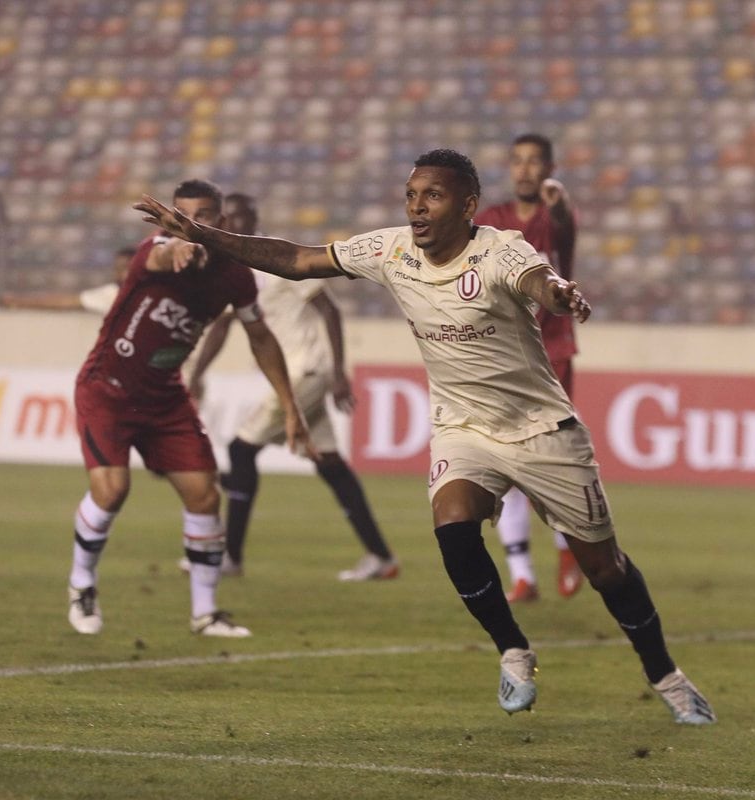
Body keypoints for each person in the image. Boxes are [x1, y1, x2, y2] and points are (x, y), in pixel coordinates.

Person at [134, 150, 716, 724]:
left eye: (432, 196)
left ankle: (665, 674)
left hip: (542, 431)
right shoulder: (391, 249)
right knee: (453, 528)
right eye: (411, 195)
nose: (417, 208)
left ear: (468, 205)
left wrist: (558, 294)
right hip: (462, 427)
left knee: (605, 569)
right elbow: (296, 258)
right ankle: (513, 649)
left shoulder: (498, 251)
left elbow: (538, 278)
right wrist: (204, 234)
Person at [68, 179, 313, 638]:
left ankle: (205, 613)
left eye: (201, 216)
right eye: (180, 215)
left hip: (165, 397)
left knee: (204, 495)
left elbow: (259, 335)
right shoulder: (153, 253)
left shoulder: (236, 276)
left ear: (220, 221)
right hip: (108, 389)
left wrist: (289, 402)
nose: (189, 224)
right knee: (112, 490)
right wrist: (178, 249)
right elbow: (167, 253)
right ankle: (82, 583)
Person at [181, 192, 399, 581]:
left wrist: (339, 373)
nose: (235, 225)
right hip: (296, 375)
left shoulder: (271, 258)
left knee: (240, 449)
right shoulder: (234, 268)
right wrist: (197, 374)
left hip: (306, 372)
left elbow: (329, 309)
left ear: (254, 219)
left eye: (243, 218)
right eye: (228, 220)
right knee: (330, 464)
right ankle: (381, 557)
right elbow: (222, 327)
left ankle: (230, 556)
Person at [474, 133, 584, 603]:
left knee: (551, 459)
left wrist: (558, 205)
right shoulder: (491, 222)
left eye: (533, 162)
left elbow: (563, 227)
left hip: (551, 355)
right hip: (504, 358)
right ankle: (522, 574)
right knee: (508, 462)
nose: (523, 170)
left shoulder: (554, 218)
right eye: (516, 161)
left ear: (549, 168)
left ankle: (567, 545)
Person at [2, 246, 136, 313]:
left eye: (125, 268)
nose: (120, 274)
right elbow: (67, 302)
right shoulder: (113, 294)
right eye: (117, 269)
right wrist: (21, 302)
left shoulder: (154, 291)